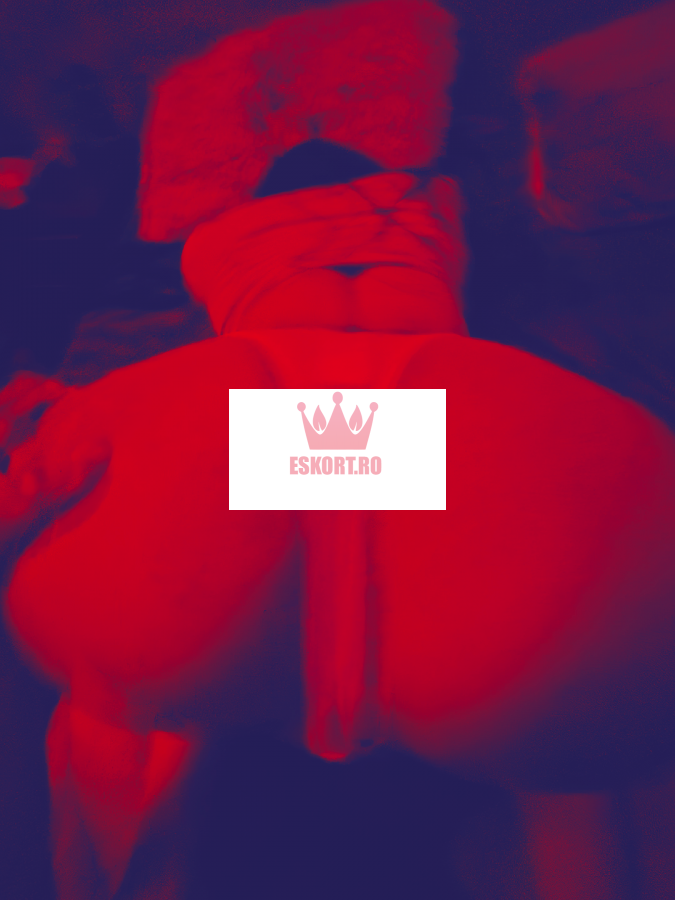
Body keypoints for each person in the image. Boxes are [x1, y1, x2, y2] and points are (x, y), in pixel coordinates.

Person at [2, 2, 675, 899]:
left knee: (127, 705)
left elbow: (22, 498)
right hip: (452, 405)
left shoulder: (173, 312)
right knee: (579, 736)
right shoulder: (454, 240)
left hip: (250, 398)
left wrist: (55, 436)